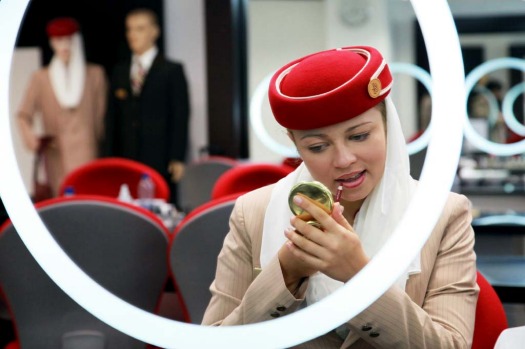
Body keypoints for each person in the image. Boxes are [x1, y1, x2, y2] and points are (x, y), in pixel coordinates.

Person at [202, 46, 479, 348]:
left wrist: (359, 275)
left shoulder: (441, 214)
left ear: (388, 126)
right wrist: (285, 273)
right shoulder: (253, 213)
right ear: (294, 143)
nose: (344, 159)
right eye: (318, 147)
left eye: (359, 136)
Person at [103, 8, 190, 206]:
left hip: (160, 156)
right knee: (126, 208)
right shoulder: (120, 71)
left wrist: (177, 156)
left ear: (154, 31)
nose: (133, 35)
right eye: (130, 29)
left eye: (140, 29)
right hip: (126, 157)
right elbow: (111, 119)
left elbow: (180, 115)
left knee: (161, 206)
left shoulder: (171, 70)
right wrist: (109, 157)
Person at [17, 17, 108, 197]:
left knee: (88, 199)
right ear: (51, 43)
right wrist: (32, 140)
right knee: (61, 202)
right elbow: (22, 114)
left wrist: (102, 143)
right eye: (59, 40)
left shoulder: (95, 74)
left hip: (88, 152)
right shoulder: (40, 78)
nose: (64, 45)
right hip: (57, 154)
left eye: (69, 39)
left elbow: (102, 117)